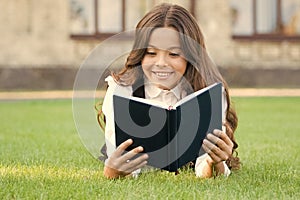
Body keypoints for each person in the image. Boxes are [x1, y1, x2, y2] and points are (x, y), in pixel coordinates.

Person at [97, 3, 240, 179]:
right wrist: (112, 170)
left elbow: (206, 168)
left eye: (173, 54)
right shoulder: (122, 89)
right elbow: (118, 162)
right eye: (151, 53)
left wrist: (214, 163)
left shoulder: (209, 90)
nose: (161, 63)